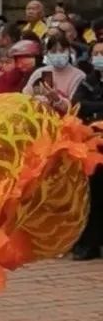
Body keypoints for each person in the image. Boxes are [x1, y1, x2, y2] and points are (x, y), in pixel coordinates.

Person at [72, 45, 103, 260]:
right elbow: (78, 104)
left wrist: (93, 108)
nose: (99, 58)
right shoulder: (88, 81)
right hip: (91, 145)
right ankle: (89, 244)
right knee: (92, 196)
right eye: (96, 54)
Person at [23, 32, 87, 115]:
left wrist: (57, 99)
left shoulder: (79, 76)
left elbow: (75, 107)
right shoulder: (39, 73)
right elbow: (25, 96)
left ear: (69, 51)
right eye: (53, 51)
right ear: (47, 53)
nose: (58, 54)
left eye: (62, 50)